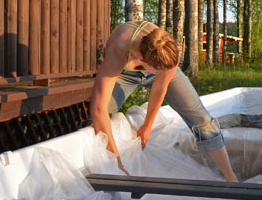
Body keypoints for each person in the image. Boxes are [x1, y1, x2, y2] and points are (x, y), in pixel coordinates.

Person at [90, 19, 238, 182]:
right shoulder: (119, 48)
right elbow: (99, 110)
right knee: (97, 122)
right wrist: (116, 162)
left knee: (202, 118)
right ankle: (101, 174)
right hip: (124, 73)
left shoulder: (170, 50)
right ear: (144, 63)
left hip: (160, 66)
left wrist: (147, 125)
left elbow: (160, 87)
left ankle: (231, 176)